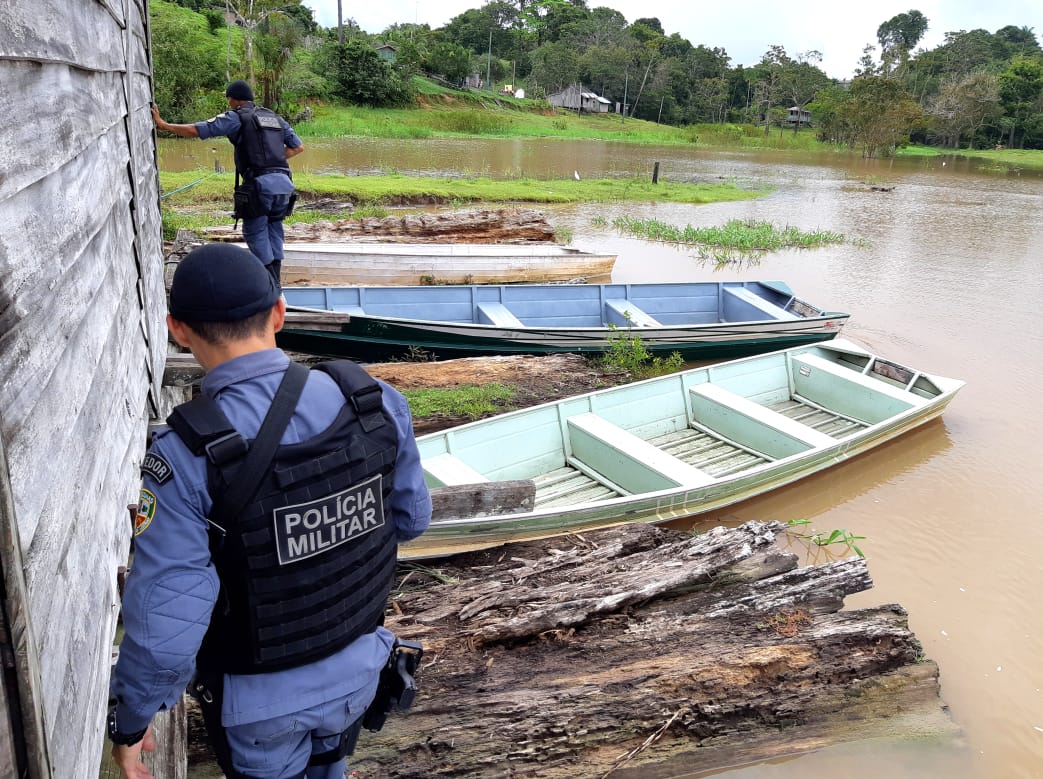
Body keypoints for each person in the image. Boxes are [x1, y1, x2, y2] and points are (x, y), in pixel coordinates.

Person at [107, 243, 432, 779]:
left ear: (177, 330)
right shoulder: (371, 400)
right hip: (361, 668)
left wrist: (131, 720)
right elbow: (412, 521)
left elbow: (168, 624)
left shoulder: (183, 457)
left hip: (259, 707)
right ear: (279, 313)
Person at [151, 81, 304, 285]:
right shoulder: (275, 118)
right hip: (285, 185)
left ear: (233, 99)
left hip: (259, 187)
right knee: (274, 229)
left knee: (255, 232)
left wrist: (164, 125)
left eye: (229, 98)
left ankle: (271, 286)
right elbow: (297, 147)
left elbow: (199, 130)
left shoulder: (237, 117)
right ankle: (275, 282)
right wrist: (272, 161)